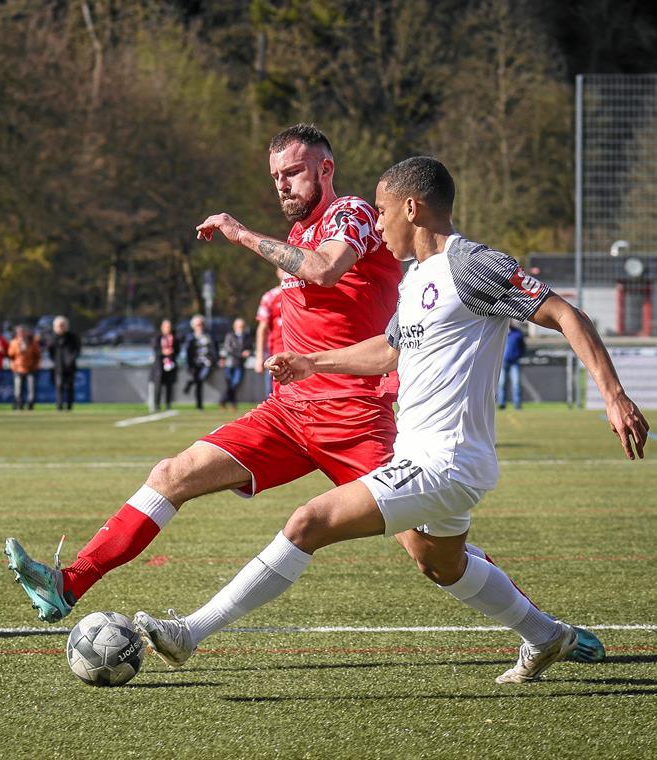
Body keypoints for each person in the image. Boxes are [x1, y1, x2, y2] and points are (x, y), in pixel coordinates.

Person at [3, 124, 605, 664]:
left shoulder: (353, 215)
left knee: (432, 557)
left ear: (325, 169)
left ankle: (547, 631)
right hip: (290, 413)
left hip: (359, 419)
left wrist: (239, 234)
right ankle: (69, 583)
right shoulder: (299, 232)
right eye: (275, 177)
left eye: (292, 172)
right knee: (172, 473)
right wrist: (303, 359)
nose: (282, 185)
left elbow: (324, 269)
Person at [134, 156, 649, 684]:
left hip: (445, 462)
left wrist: (614, 396)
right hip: (425, 459)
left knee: (307, 523)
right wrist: (313, 363)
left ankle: (189, 634)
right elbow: (388, 350)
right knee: (441, 564)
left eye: (381, 212)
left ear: (412, 207)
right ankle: (547, 636)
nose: (377, 225)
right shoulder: (417, 278)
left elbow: (566, 313)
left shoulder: (470, 264)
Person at [255, 272, 284, 381]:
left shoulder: (303, 293)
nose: (285, 271)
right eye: (281, 268)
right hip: (277, 352)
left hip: (299, 351)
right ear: (277, 272)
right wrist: (259, 357)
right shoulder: (270, 296)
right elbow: (262, 328)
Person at [183, 315, 216, 410]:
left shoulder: (208, 336)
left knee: (200, 379)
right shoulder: (190, 337)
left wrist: (215, 360)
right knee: (198, 383)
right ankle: (199, 405)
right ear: (193, 326)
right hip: (195, 363)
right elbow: (188, 353)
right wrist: (189, 365)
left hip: (207, 363)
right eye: (197, 325)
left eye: (201, 324)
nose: (200, 326)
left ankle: (190, 383)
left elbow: (214, 349)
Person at [49, 316, 80, 411]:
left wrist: (70, 360)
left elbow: (77, 350)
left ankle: (69, 406)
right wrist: (56, 361)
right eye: (59, 325)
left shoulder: (72, 337)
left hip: (70, 367)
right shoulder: (53, 338)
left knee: (70, 387)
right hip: (59, 367)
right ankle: (59, 405)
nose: (61, 327)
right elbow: (51, 352)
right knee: (59, 386)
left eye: (63, 325)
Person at [8, 325, 42, 410]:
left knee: (31, 389)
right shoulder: (14, 342)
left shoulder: (32, 342)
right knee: (18, 390)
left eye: (23, 332)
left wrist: (36, 365)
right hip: (18, 368)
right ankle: (19, 405)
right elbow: (10, 355)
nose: (21, 334)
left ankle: (30, 405)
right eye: (19, 332)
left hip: (30, 368)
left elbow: (37, 355)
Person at [220, 317, 251, 410]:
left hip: (240, 364)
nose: (241, 328)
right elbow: (228, 349)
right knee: (230, 384)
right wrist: (240, 354)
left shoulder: (246, 337)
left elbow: (250, 347)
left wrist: (248, 352)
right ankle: (232, 403)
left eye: (242, 326)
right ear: (235, 327)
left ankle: (223, 400)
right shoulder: (230, 336)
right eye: (239, 326)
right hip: (230, 364)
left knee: (235, 383)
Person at [148, 319, 178, 412]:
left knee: (169, 386)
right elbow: (155, 349)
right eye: (166, 326)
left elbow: (178, 349)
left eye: (169, 326)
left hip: (170, 365)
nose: (168, 328)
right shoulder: (157, 337)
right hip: (159, 366)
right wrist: (163, 352)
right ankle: (156, 405)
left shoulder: (174, 337)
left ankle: (168, 404)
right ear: (162, 327)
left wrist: (172, 352)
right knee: (158, 386)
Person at [497, 321, 527, 409]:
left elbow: (522, 346)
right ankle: (501, 404)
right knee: (502, 384)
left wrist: (519, 355)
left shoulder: (517, 333)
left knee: (516, 384)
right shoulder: (500, 331)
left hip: (515, 362)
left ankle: (517, 404)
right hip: (502, 362)